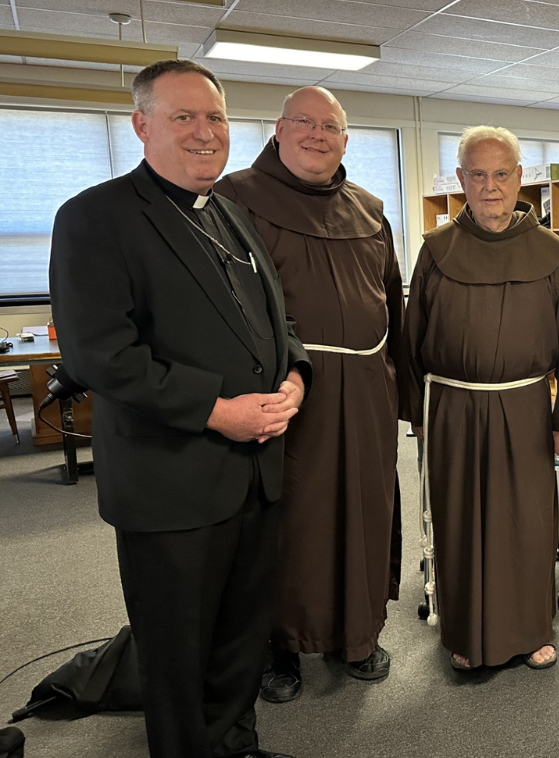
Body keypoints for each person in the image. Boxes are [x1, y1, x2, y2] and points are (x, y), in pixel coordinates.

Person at [48, 60, 310, 758]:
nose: (204, 133)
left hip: (255, 471)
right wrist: (217, 411)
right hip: (171, 478)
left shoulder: (229, 212)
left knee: (239, 635)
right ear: (141, 125)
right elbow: (98, 355)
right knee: (177, 649)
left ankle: (236, 745)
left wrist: (295, 377)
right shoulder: (93, 218)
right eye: (183, 117)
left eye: (216, 117)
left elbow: (276, 322)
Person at [215, 86, 406, 702]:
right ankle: (282, 647)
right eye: (304, 122)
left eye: (331, 126)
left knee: (365, 511)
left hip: (369, 391)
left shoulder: (371, 208)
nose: (317, 135)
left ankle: (359, 636)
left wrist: (406, 395)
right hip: (287, 395)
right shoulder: (234, 198)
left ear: (346, 140)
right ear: (277, 128)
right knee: (290, 521)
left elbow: (393, 304)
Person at [401, 125, 559, 672]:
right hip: (453, 409)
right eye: (477, 175)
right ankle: (466, 632)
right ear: (460, 180)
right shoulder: (436, 252)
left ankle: (531, 631)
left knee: (528, 522)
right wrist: (419, 416)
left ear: (519, 177)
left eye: (501, 174)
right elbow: (413, 340)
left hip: (526, 408)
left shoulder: (550, 255)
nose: (490, 187)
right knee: (460, 519)